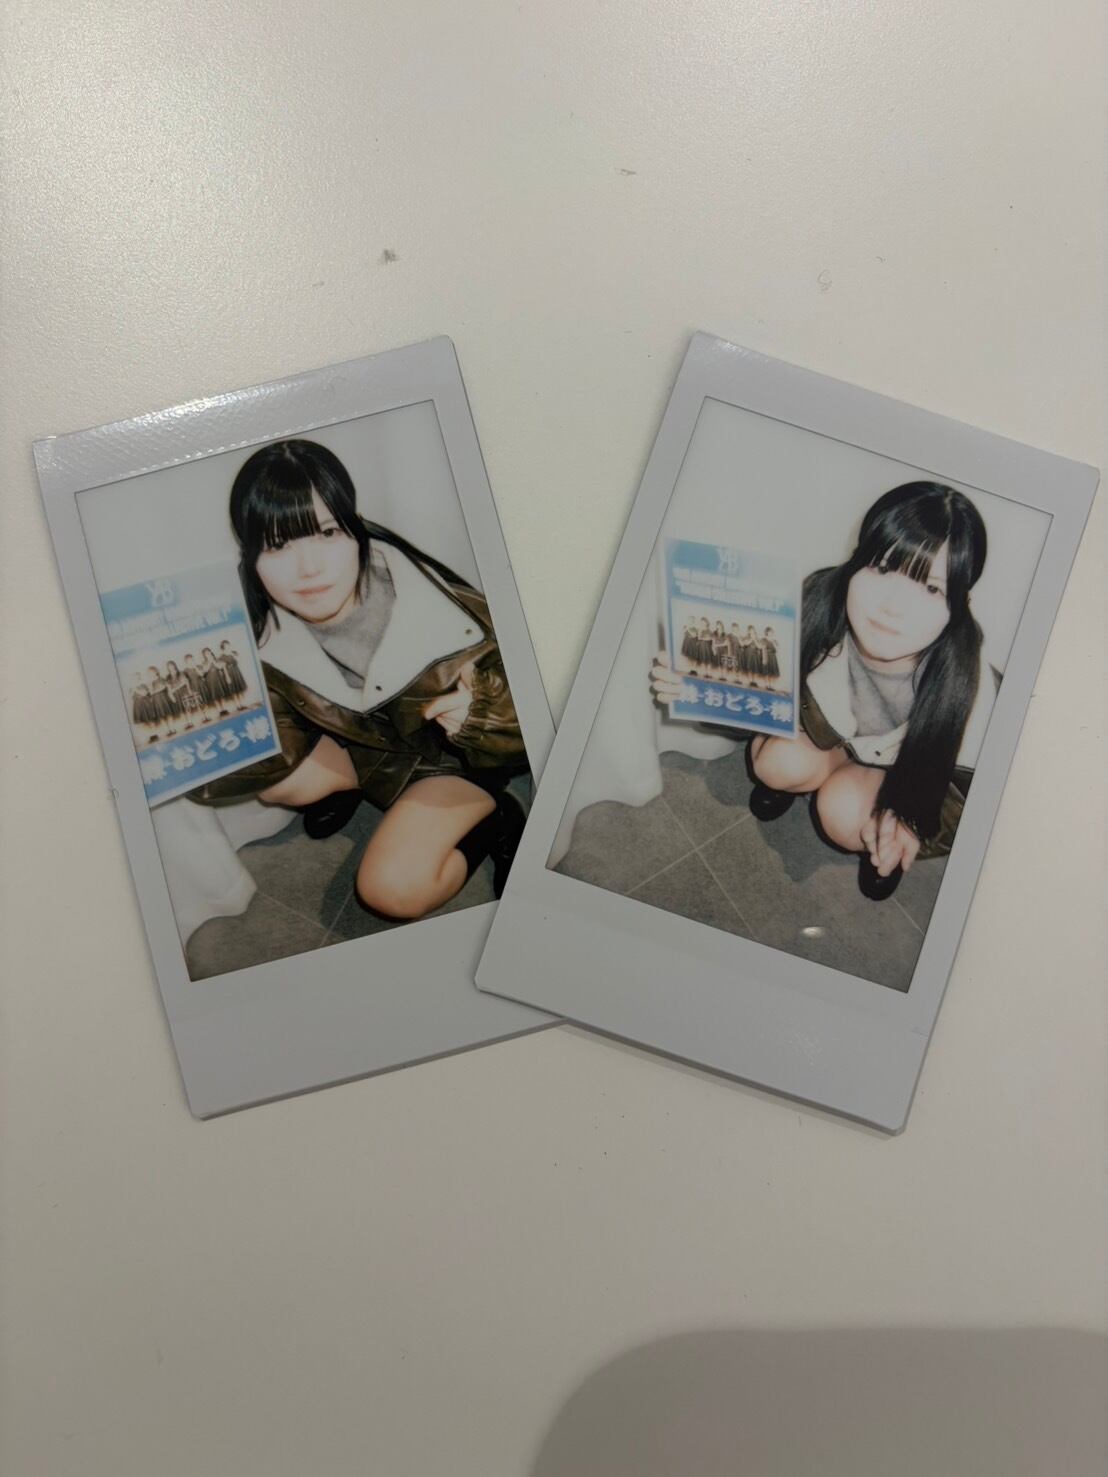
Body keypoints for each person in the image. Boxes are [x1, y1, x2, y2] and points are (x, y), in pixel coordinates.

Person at [188, 438, 529, 918]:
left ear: (355, 529)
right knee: (278, 785)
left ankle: (497, 819)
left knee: (391, 890)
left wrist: (480, 716)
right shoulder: (260, 632)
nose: (309, 569)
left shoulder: (446, 612)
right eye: (279, 545)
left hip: (446, 761)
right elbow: (273, 738)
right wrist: (191, 740)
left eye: (327, 533)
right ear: (252, 557)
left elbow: (535, 718)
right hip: (369, 752)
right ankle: (355, 789)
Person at [651, 482, 997, 900]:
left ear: (958, 603)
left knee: (842, 811)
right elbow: (757, 700)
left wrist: (909, 822)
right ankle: (785, 785)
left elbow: (968, 801)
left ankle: (878, 851)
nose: (892, 607)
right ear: (858, 561)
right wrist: (705, 688)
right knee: (778, 762)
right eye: (883, 567)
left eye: (931, 588)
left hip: (900, 777)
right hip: (828, 737)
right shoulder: (819, 602)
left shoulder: (976, 695)